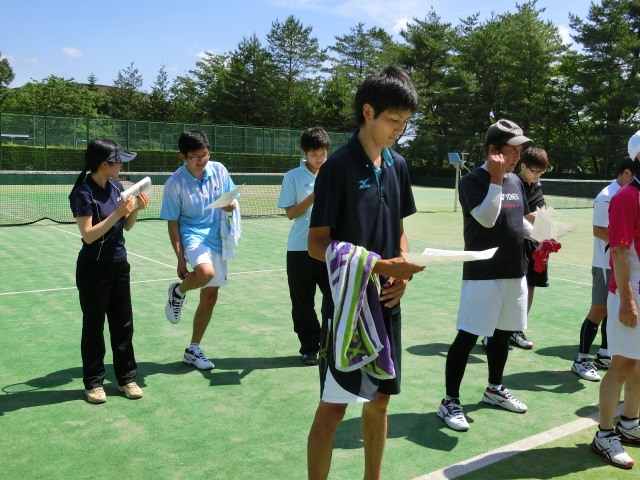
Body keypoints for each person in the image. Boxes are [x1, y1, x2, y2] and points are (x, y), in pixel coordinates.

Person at [306, 66, 424, 480]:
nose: (399, 130)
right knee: (333, 410)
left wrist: (402, 271)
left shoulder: (398, 165)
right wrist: (378, 265)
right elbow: (316, 243)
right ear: (368, 112)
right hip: (347, 310)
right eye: (394, 120)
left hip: (387, 305)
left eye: (405, 122)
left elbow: (399, 231)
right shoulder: (337, 166)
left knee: (380, 402)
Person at [437, 119, 533, 432]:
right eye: (513, 149)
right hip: (482, 273)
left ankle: (494, 389)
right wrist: (495, 179)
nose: (518, 155)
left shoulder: (515, 181)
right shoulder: (473, 181)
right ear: (494, 150)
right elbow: (487, 219)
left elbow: (519, 221)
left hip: (514, 271)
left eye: (520, 149)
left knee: (503, 335)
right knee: (468, 336)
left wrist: (546, 234)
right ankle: (450, 400)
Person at [69, 139, 148, 404]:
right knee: (94, 327)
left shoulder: (117, 186)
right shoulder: (82, 192)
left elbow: (127, 226)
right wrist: (116, 213)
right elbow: (89, 235)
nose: (122, 166)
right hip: (94, 268)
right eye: (118, 161)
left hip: (119, 264)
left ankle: (127, 379)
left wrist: (135, 209)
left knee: (123, 325)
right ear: (104, 164)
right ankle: (94, 384)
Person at [160, 130, 240, 370]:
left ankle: (193, 349)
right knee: (205, 273)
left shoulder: (219, 170)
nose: (202, 160)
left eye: (205, 154)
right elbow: (172, 223)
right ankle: (178, 291)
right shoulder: (174, 183)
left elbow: (231, 197)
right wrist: (180, 258)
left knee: (210, 296)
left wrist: (231, 205)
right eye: (196, 156)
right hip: (192, 236)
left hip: (218, 235)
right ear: (183, 156)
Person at [590, 132, 640, 469]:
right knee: (622, 364)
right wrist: (626, 301)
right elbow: (619, 251)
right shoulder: (626, 197)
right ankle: (604, 434)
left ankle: (630, 423)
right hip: (631, 292)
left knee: (639, 363)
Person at [572, 156, 637, 382]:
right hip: (604, 262)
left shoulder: (628, 194)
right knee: (599, 309)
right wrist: (627, 240)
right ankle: (581, 359)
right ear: (627, 173)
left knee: (611, 309)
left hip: (621, 262)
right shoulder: (607, 196)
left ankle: (603, 354)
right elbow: (598, 230)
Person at [277, 127, 330, 366]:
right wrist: (313, 196)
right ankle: (310, 348)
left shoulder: (336, 172)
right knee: (302, 302)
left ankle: (333, 344)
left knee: (335, 299)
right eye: (314, 154)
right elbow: (290, 213)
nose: (319, 158)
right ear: (304, 152)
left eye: (323, 153)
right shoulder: (292, 176)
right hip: (299, 248)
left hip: (330, 248)